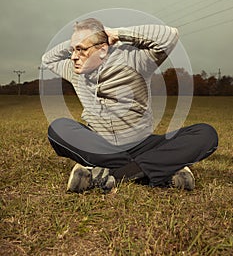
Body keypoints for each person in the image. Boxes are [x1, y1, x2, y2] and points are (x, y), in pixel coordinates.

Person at [42, 18, 218, 193]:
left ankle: (108, 172)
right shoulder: (75, 70)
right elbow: (48, 59)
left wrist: (115, 34)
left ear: (102, 50)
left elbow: (170, 35)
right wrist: (79, 40)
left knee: (206, 134)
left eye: (80, 50)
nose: (73, 57)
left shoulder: (135, 60)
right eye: (73, 50)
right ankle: (154, 169)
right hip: (100, 144)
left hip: (141, 143)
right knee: (58, 128)